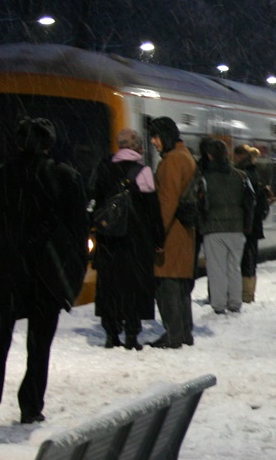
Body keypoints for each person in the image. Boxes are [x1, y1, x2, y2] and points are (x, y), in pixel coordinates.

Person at [0, 118, 88, 422]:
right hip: (47, 273)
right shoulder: (64, 177)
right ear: (49, 143)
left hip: (9, 270)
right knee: (39, 343)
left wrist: (6, 244)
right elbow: (77, 229)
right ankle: (30, 407)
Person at [90, 129, 161, 350]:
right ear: (138, 147)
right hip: (135, 240)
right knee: (133, 287)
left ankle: (111, 334)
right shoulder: (143, 172)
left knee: (110, 286)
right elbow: (152, 209)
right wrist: (158, 239)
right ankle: (131, 335)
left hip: (109, 238)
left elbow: (96, 201)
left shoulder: (103, 169)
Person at [150, 116, 197, 348]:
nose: (153, 142)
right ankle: (185, 331)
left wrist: (158, 236)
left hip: (171, 235)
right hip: (185, 233)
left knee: (167, 284)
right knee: (180, 286)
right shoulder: (186, 156)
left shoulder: (171, 162)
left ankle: (173, 333)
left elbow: (166, 203)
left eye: (156, 136)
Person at [198, 137, 253, 315]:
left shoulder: (204, 178)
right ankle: (235, 303)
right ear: (227, 154)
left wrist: (202, 222)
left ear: (209, 155)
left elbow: (201, 203)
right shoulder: (241, 176)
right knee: (234, 267)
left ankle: (219, 304)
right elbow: (250, 201)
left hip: (213, 229)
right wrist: (247, 225)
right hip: (236, 229)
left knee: (216, 269)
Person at [234, 144, 273, 303]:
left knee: (245, 259)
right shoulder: (256, 173)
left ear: (239, 156)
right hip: (254, 224)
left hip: (246, 224)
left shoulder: (243, 175)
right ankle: (248, 292)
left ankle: (246, 294)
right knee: (250, 259)